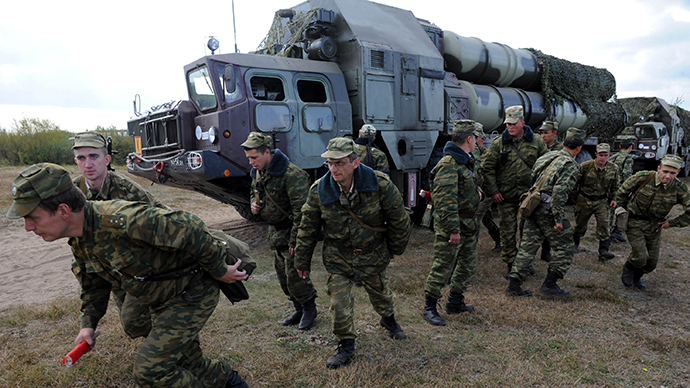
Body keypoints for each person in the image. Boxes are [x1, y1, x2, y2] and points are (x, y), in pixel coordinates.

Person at [7, 163, 250, 388]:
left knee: (150, 371)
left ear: (62, 210)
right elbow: (93, 283)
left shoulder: (122, 220)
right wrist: (88, 325)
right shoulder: (80, 238)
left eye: (33, 218)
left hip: (190, 291)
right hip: (158, 295)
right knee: (184, 360)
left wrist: (220, 271)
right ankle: (229, 381)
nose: (29, 227)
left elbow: (191, 227)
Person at [294, 137, 411, 369]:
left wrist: (394, 249)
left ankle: (389, 320)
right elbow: (307, 228)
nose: (334, 169)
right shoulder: (319, 190)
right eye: (330, 163)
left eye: (340, 163)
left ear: (355, 163)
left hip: (372, 253)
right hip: (338, 256)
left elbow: (399, 221)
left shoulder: (380, 185)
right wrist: (302, 260)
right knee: (339, 303)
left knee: (381, 295)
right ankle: (345, 344)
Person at [71, 131, 166, 340]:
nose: (88, 164)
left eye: (94, 156)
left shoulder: (129, 192)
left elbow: (168, 222)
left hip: (142, 268)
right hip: (110, 272)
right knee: (133, 324)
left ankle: (172, 339)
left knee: (135, 321)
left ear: (107, 159)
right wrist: (88, 323)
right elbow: (81, 255)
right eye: (81, 158)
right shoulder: (72, 195)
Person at [241, 132, 317, 330]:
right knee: (284, 278)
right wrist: (253, 204)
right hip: (275, 234)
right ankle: (298, 308)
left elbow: (303, 212)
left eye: (254, 157)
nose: (251, 162)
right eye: (248, 158)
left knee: (296, 277)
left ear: (267, 152)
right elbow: (253, 191)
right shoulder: (258, 172)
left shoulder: (292, 175)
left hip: (292, 233)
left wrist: (295, 242)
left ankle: (309, 309)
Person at [506, 129, 584, 297]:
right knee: (565, 248)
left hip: (533, 204)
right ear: (579, 148)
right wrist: (558, 220)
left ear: (563, 144)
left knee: (527, 246)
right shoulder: (570, 165)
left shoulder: (548, 156)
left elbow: (532, 175)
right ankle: (550, 285)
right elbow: (559, 192)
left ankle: (513, 286)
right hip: (548, 209)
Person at [422, 120, 480, 326]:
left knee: (467, 264)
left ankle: (455, 301)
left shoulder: (464, 162)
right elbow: (446, 202)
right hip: (453, 226)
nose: (477, 142)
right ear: (469, 139)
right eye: (475, 138)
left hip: (468, 224)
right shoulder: (449, 164)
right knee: (443, 266)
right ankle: (429, 308)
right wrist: (453, 230)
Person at [482, 105, 548, 276]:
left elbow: (546, 168)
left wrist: (539, 191)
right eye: (508, 124)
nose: (510, 127)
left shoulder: (537, 142)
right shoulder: (499, 144)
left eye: (513, 123)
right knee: (508, 232)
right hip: (505, 197)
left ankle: (525, 262)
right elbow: (487, 169)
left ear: (522, 123)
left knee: (529, 233)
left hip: (529, 197)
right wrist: (494, 191)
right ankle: (512, 264)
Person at [615, 154, 690, 290]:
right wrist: (621, 210)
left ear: (678, 173)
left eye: (672, 173)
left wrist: (672, 223)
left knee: (651, 263)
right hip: (635, 222)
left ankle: (637, 277)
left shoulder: (679, 189)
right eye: (665, 171)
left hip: (655, 226)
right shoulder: (643, 177)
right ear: (658, 168)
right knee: (640, 256)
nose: (667, 176)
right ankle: (629, 268)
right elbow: (622, 191)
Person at [572, 143, 620, 261]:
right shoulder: (585, 166)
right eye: (601, 155)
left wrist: (614, 199)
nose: (603, 158)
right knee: (580, 225)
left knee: (604, 225)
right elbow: (575, 184)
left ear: (609, 155)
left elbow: (615, 186)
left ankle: (603, 252)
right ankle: (574, 246)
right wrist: (575, 198)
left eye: (606, 155)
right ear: (596, 154)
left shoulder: (614, 169)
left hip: (601, 201)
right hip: (585, 199)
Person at [472, 123, 502, 253]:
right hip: (475, 192)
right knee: (487, 219)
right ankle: (499, 239)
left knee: (475, 217)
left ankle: (470, 248)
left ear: (481, 139)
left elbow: (482, 169)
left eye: (475, 138)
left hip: (487, 191)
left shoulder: (486, 155)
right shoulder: (469, 153)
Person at [537, 120, 561, 262]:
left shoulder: (560, 149)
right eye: (541, 133)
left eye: (546, 133)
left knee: (550, 222)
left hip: (551, 191)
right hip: (537, 189)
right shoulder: (538, 147)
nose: (543, 136)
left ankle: (546, 251)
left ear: (554, 133)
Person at [608, 139, 635, 242]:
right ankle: (617, 232)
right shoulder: (628, 158)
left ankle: (607, 231)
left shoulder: (613, 156)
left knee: (610, 208)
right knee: (623, 209)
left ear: (620, 147)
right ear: (630, 147)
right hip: (620, 187)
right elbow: (627, 174)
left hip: (609, 186)